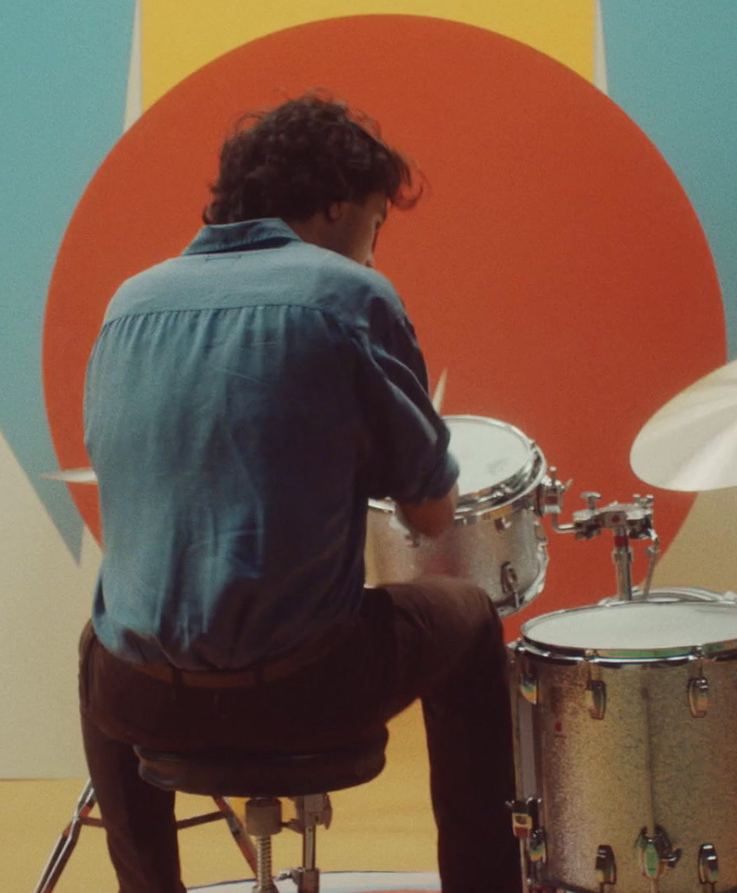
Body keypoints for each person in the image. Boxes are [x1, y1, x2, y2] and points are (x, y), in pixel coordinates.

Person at [77, 93, 522, 893]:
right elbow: (427, 511)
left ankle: (147, 888)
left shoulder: (127, 305)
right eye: (376, 225)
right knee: (471, 618)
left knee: (100, 638)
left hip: (142, 700)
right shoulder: (348, 296)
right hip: (305, 691)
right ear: (334, 204)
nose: (374, 253)